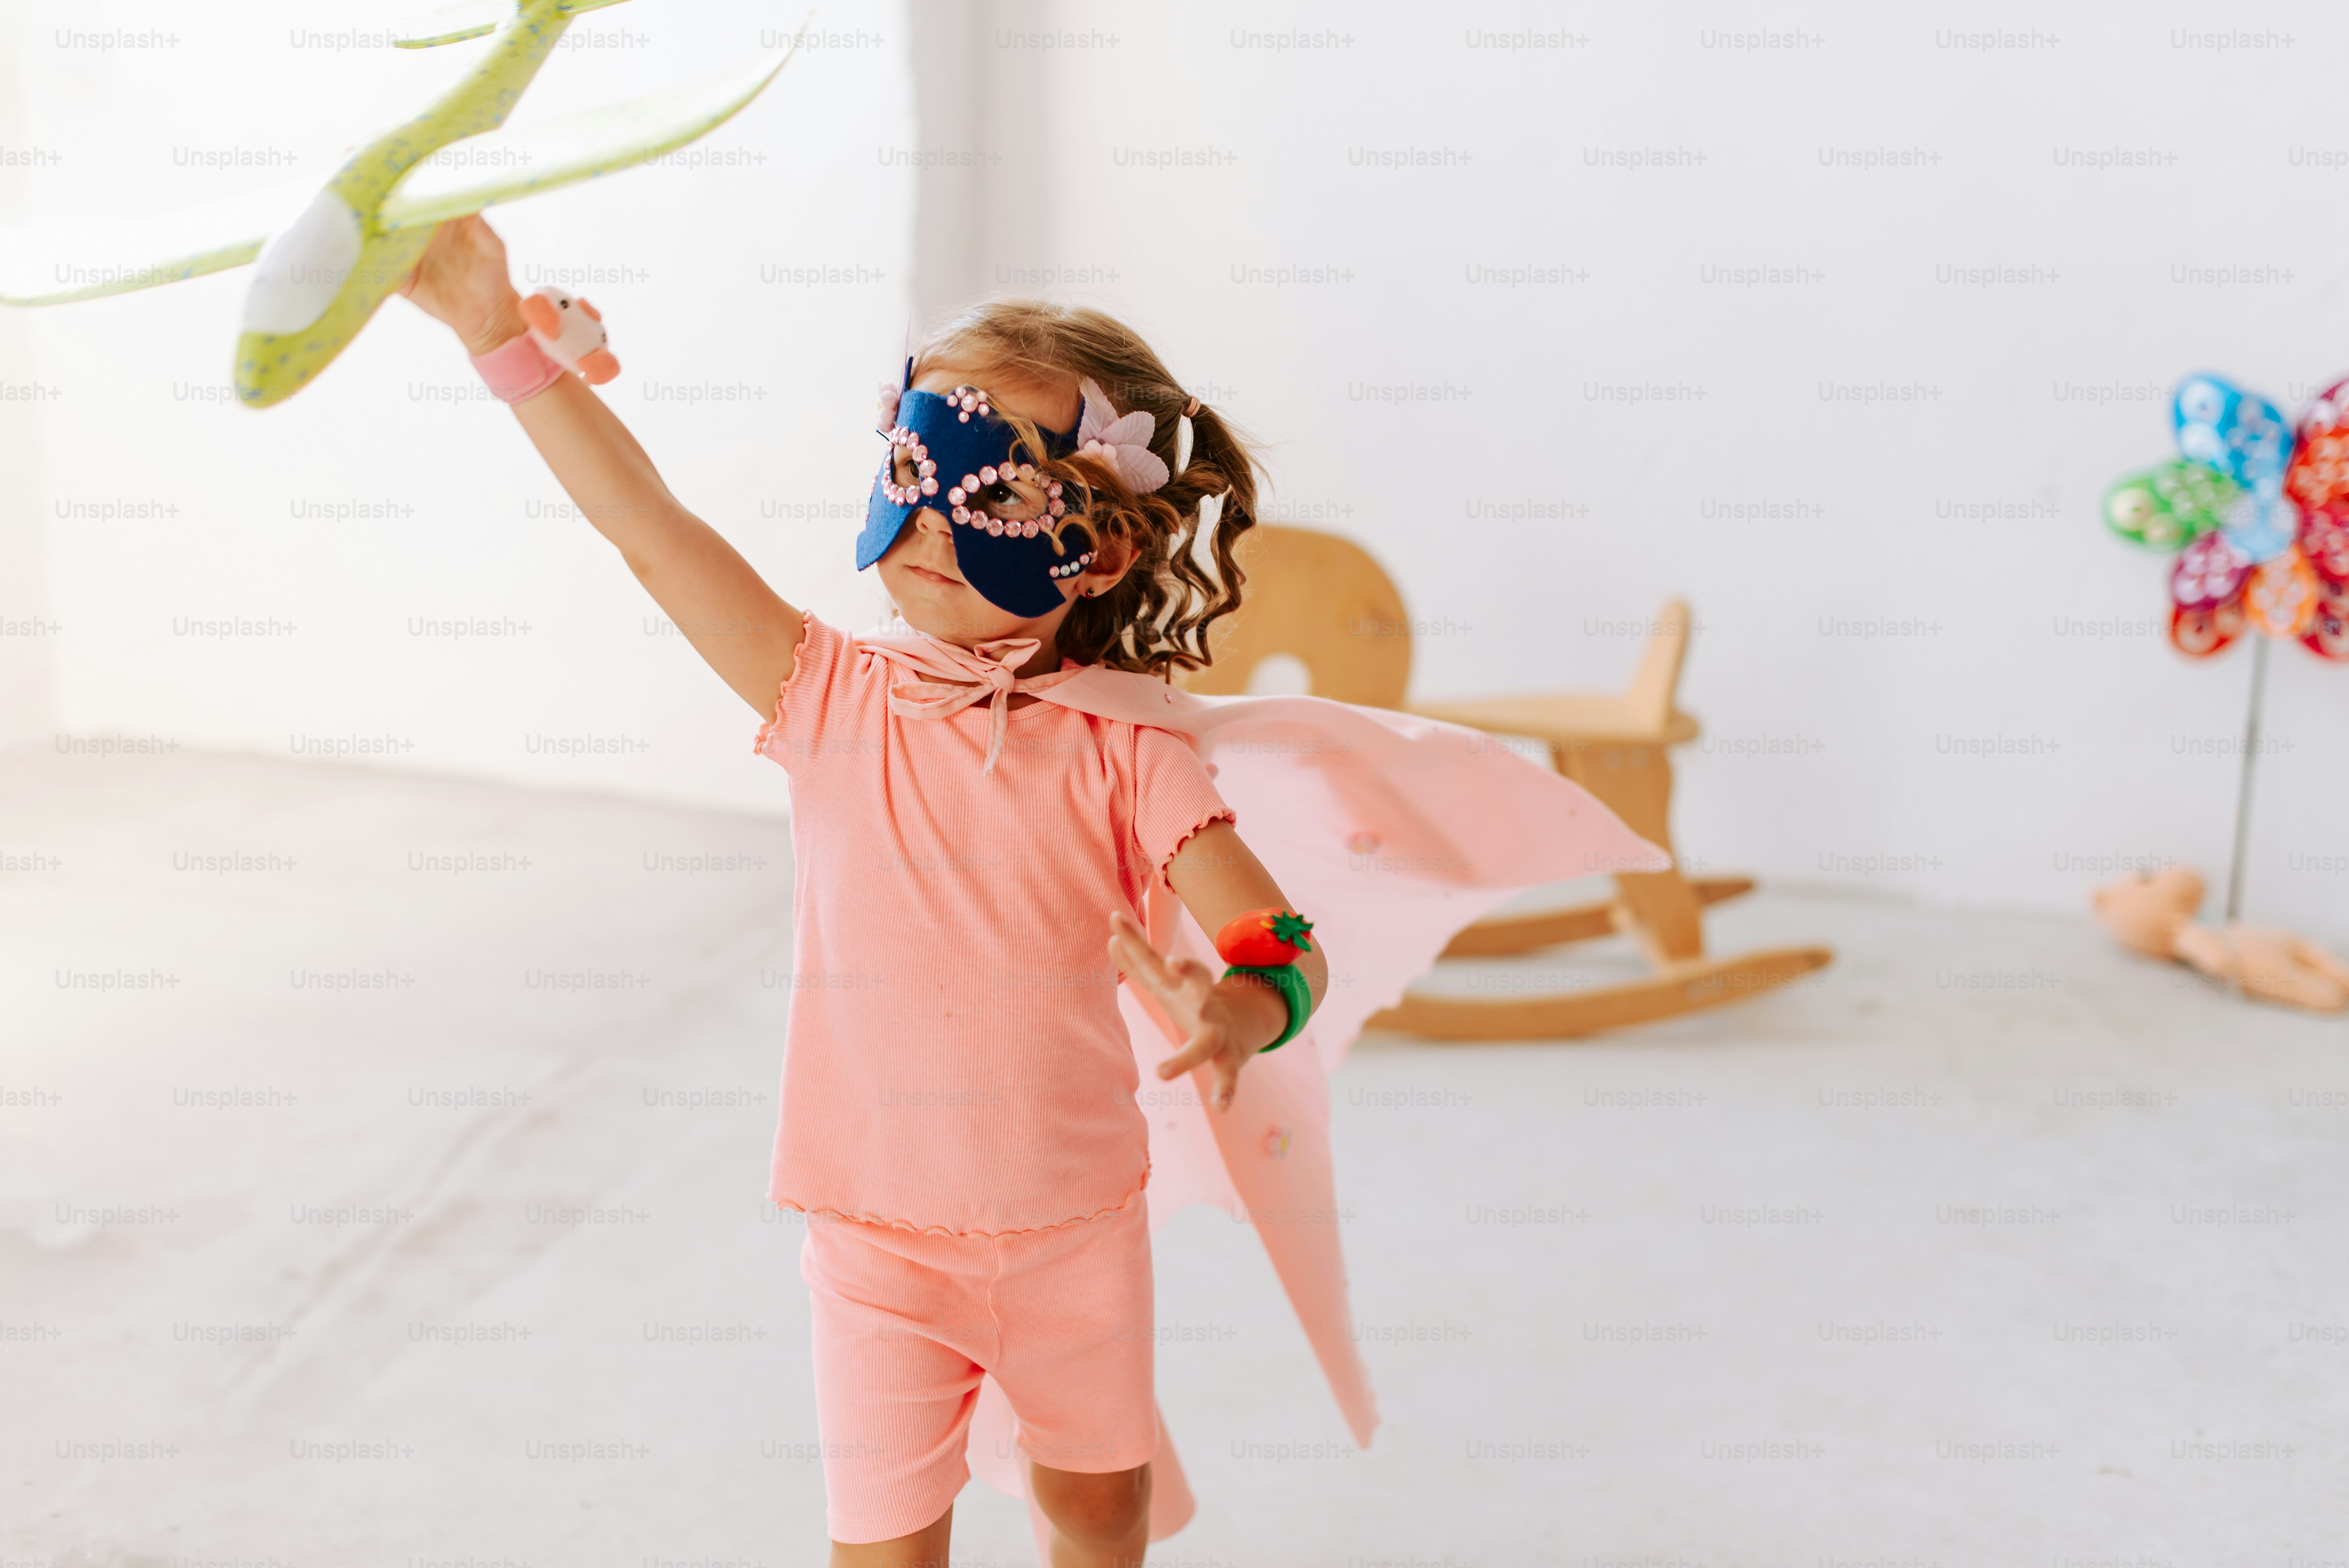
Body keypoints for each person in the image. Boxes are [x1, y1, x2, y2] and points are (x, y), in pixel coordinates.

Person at [401, 214, 1329, 1568]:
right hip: (878, 1246)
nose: (942, 526)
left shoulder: (1131, 750)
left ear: (1108, 549)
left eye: (996, 496)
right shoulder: (829, 698)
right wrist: (499, 334)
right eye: (920, 469)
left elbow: (1280, 942)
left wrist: (1241, 1007)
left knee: (1100, 1515)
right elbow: (651, 535)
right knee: (885, 1547)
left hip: (1073, 1229)